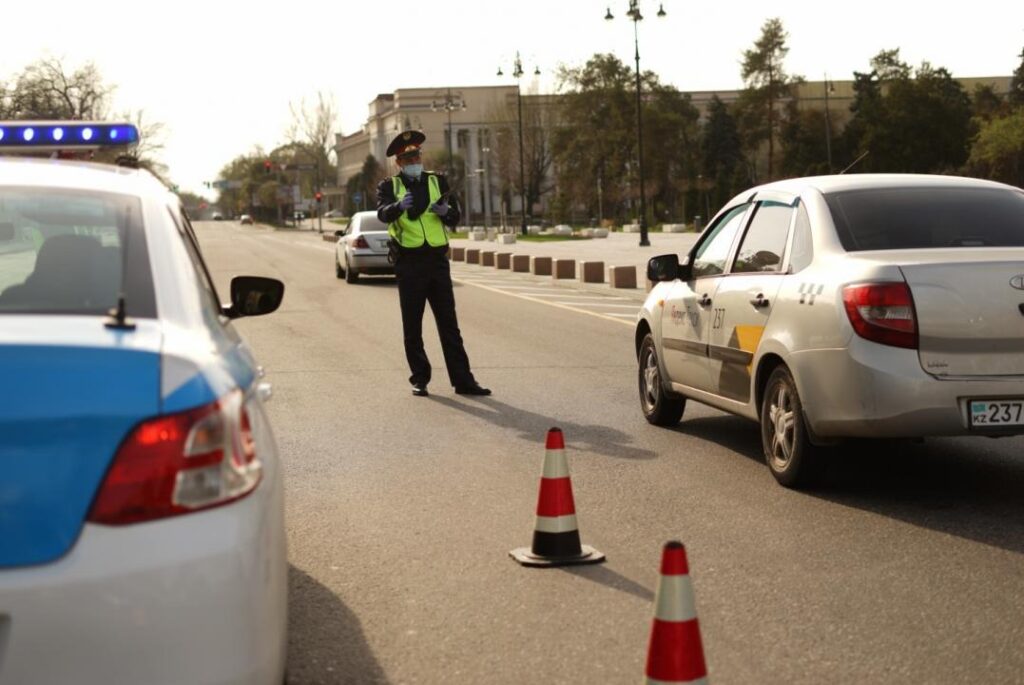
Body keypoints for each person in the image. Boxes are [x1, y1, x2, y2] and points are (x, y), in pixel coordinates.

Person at [376, 130, 490, 398]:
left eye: (416, 155)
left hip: (437, 262)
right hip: (409, 263)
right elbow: (382, 214)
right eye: (408, 157)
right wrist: (399, 207)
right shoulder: (389, 187)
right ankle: (420, 378)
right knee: (412, 326)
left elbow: (455, 216)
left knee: (449, 325)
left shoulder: (438, 181)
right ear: (399, 163)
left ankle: (463, 381)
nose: (414, 160)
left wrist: (446, 212)